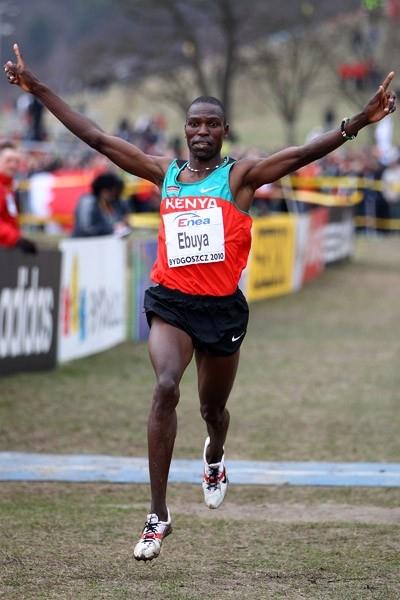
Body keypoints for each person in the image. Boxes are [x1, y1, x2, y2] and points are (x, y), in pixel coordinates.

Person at [4, 44, 396, 562]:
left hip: (222, 310)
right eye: (194, 124)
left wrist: (358, 123)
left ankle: (214, 455)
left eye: (212, 124)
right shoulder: (163, 173)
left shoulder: (240, 178)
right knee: (165, 386)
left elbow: (300, 156)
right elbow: (96, 137)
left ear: (224, 130)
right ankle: (157, 515)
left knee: (214, 409)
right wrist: (40, 89)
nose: (202, 131)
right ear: (185, 130)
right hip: (171, 302)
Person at [0, 140, 37, 253]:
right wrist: (16, 239)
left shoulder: (9, 188)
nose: (13, 165)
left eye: (16, 161)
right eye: (9, 160)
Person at [72, 171, 131, 238]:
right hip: (83, 242)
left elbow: (120, 223)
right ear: (103, 189)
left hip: (104, 242)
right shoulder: (88, 202)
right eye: (111, 191)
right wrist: (112, 228)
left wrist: (123, 223)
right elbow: (86, 228)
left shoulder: (112, 204)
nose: (114, 195)